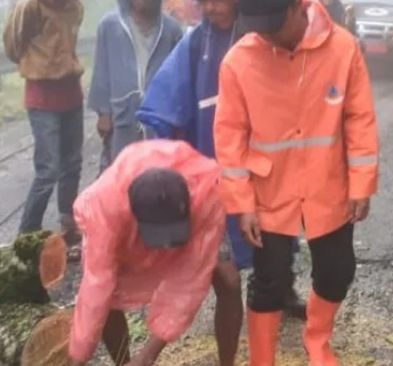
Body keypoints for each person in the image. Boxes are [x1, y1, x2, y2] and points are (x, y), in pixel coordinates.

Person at [136, 0, 307, 364]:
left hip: (268, 167)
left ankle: (280, 293)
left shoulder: (267, 29)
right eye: (204, 2)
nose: (210, 8)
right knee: (221, 272)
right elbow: (165, 104)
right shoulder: (197, 44)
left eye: (218, 0)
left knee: (273, 246)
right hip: (216, 171)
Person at [214, 0, 380, 364]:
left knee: (337, 271)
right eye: (257, 25)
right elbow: (230, 139)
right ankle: (262, 358)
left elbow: (359, 118)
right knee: (269, 281)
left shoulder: (342, 48)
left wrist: (361, 182)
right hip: (269, 190)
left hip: (328, 184)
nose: (266, 33)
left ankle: (317, 341)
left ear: (298, 7)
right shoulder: (239, 61)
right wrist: (242, 205)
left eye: (274, 22)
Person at [68, 140, 225, 366]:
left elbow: (187, 284)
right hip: (115, 215)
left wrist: (148, 355)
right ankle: (123, 362)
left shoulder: (207, 194)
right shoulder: (106, 208)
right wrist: (78, 357)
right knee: (108, 297)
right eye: (159, 237)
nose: (166, 248)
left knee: (227, 279)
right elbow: (96, 285)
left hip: (198, 208)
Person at [3, 0, 85, 260]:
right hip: (42, 95)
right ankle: (26, 237)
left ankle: (68, 227)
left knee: (72, 164)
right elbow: (13, 45)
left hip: (71, 92)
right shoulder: (30, 7)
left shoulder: (75, 7)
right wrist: (37, 63)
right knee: (48, 170)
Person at [88, 0, 183, 172]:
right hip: (123, 115)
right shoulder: (110, 26)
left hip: (159, 118)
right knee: (121, 171)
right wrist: (104, 113)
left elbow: (179, 78)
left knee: (157, 173)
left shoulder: (172, 30)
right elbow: (102, 70)